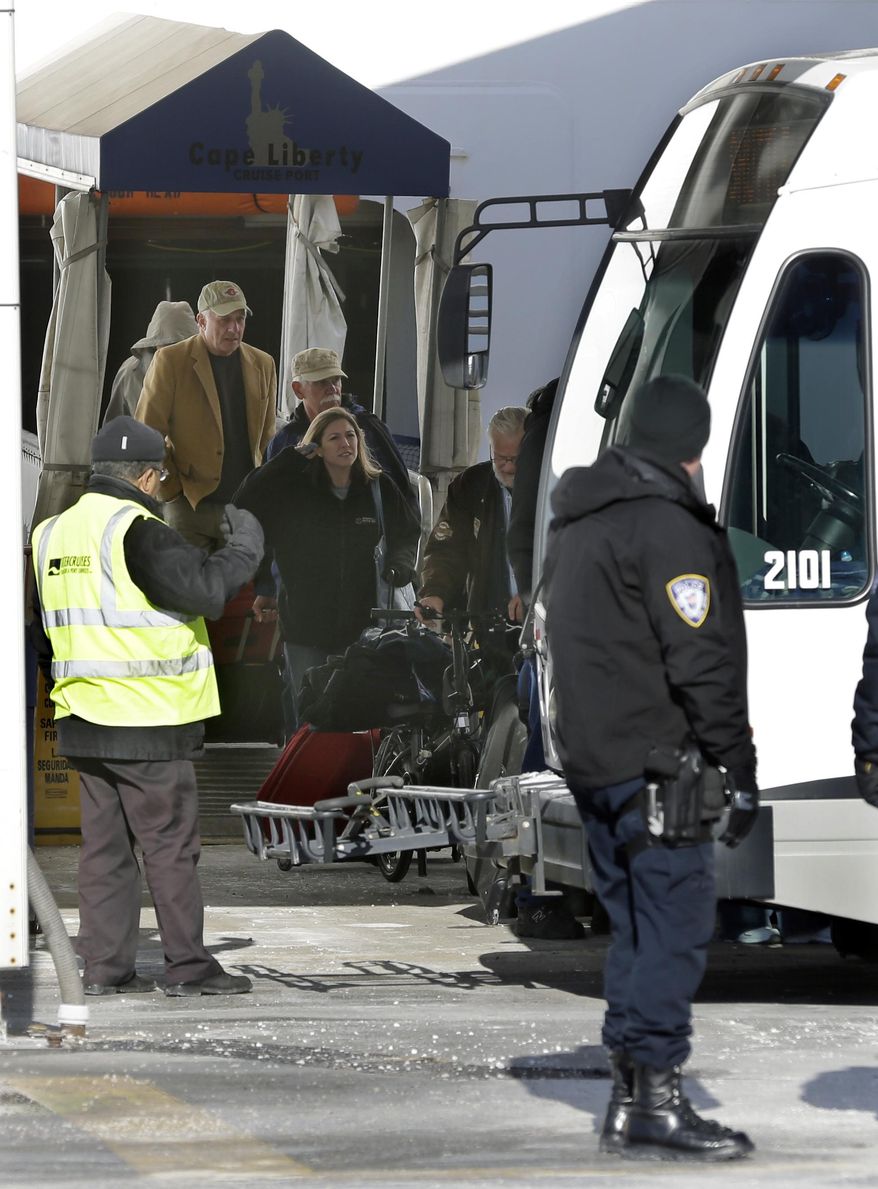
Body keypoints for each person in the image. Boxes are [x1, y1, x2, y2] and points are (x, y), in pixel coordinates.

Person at [544, 375, 759, 1161]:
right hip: (659, 767)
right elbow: (700, 659)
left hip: (597, 765)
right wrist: (737, 762)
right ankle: (659, 1098)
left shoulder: (579, 519)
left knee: (634, 930)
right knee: (674, 928)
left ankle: (630, 1091)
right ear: (692, 448)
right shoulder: (666, 529)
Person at [30, 416, 265, 997]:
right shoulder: (136, 529)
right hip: (148, 723)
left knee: (104, 852)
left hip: (83, 720)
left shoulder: (49, 533)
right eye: (160, 475)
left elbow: (40, 634)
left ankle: (105, 970)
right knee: (169, 849)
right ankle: (189, 968)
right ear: (146, 474)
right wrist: (245, 547)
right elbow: (207, 591)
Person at [233, 406, 420, 722]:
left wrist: (400, 563)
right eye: (334, 438)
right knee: (309, 715)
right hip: (306, 627)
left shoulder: (378, 487)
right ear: (316, 447)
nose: (346, 443)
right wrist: (287, 461)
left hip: (363, 627)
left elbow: (407, 531)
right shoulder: (293, 491)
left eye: (350, 436)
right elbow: (243, 501)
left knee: (358, 714)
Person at [135, 280, 277, 552]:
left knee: (243, 594)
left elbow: (267, 438)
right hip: (188, 506)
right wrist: (170, 488)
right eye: (224, 320)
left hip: (244, 510)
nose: (234, 328)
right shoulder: (170, 361)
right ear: (201, 320)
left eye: (240, 319)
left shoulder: (263, 364)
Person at [416, 406, 528, 627]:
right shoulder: (470, 485)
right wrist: (435, 592)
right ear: (490, 450)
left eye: (516, 458)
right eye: (500, 458)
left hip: (542, 622)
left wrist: (534, 594)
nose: (508, 467)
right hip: (486, 621)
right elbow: (447, 549)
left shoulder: (551, 486)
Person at [265, 346, 416, 510]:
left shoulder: (368, 428)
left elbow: (401, 495)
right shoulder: (286, 439)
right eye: (321, 382)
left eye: (336, 380)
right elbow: (269, 497)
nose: (332, 388)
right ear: (298, 389)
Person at [103, 301, 198, 423]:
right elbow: (114, 428)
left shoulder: (206, 369)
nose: (174, 353)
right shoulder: (130, 373)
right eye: (169, 345)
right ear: (155, 344)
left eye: (181, 346)